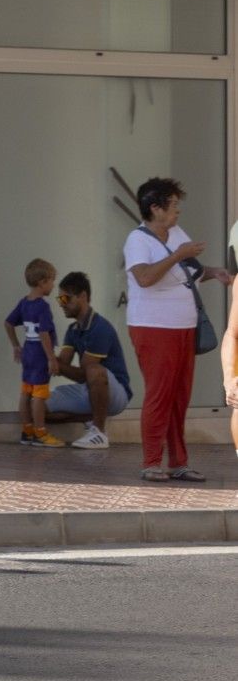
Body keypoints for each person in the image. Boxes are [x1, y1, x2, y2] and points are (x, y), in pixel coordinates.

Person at [124, 177, 230, 482]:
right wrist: (177, 255)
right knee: (159, 394)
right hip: (154, 326)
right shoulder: (138, 240)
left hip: (184, 325)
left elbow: (189, 272)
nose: (177, 211)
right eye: (173, 205)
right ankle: (152, 462)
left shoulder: (176, 234)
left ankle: (178, 462)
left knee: (179, 395)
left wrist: (213, 272)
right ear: (155, 208)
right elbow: (144, 278)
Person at [46, 271, 132, 448]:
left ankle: (99, 433)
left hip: (115, 392)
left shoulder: (100, 328)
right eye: (59, 300)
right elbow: (62, 363)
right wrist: (44, 356)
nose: (62, 305)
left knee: (93, 370)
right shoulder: (73, 329)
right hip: (89, 389)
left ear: (83, 296)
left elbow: (83, 375)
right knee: (38, 406)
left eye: (65, 299)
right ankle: (91, 418)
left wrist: (55, 363)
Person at [3, 258, 63, 447]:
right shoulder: (42, 306)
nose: (53, 285)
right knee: (39, 394)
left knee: (25, 391)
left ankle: (27, 430)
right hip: (39, 355)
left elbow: (8, 322)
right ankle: (41, 433)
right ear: (42, 282)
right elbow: (44, 333)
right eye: (52, 280)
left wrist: (16, 345)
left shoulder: (24, 303)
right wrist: (51, 358)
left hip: (28, 350)